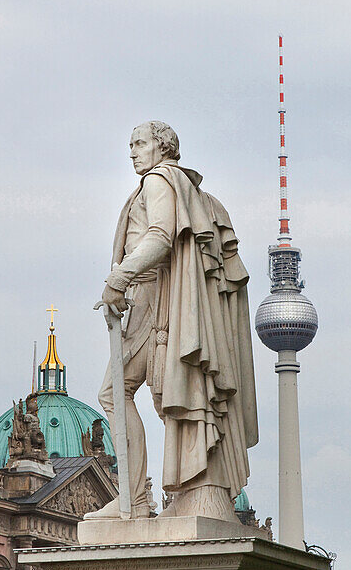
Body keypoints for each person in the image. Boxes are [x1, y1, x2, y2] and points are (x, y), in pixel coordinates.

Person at [88, 121, 257, 522]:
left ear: (163, 148)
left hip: (155, 299)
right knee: (165, 394)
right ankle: (151, 496)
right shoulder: (194, 192)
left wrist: (119, 277)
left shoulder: (159, 181)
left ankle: (135, 498)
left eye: (140, 143)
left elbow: (162, 236)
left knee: (116, 392)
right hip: (163, 298)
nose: (132, 151)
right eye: (130, 144)